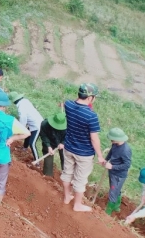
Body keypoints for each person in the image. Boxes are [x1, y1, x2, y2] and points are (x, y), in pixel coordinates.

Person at [61, 83, 105, 212]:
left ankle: (67, 197)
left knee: (67, 173)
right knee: (80, 179)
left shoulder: (68, 105)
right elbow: (94, 138)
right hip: (84, 153)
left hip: (68, 147)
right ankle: (77, 205)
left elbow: (64, 104)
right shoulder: (91, 116)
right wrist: (100, 156)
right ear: (90, 97)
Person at [104, 128, 132, 215]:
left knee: (113, 192)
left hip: (119, 175)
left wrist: (112, 166)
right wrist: (106, 160)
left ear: (118, 139)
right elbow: (111, 152)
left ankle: (107, 213)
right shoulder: (115, 144)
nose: (111, 140)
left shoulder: (125, 150)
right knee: (116, 190)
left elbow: (127, 165)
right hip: (112, 172)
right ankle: (116, 207)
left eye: (112, 139)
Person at [9, 92, 44, 161]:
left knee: (32, 143)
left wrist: (19, 131)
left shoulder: (21, 108)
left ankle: (37, 161)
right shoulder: (25, 101)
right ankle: (24, 148)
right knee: (28, 135)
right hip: (34, 123)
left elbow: (23, 121)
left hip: (38, 126)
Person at [39, 112, 66, 177]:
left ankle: (66, 176)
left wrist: (63, 143)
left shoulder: (69, 127)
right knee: (48, 159)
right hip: (50, 141)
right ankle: (48, 177)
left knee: (65, 158)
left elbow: (70, 136)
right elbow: (43, 135)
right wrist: (48, 146)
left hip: (63, 142)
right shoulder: (44, 124)